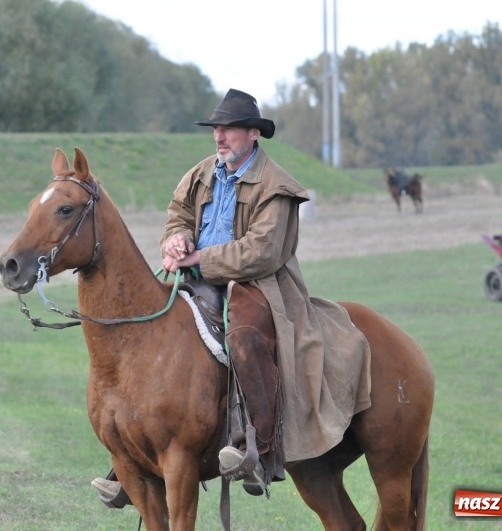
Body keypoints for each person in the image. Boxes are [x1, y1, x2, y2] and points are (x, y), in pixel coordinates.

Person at [91, 88, 370, 505]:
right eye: (217, 130)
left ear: (254, 134)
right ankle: (132, 456)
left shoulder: (276, 186)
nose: (220, 137)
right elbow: (178, 214)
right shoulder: (202, 172)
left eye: (230, 130)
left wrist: (202, 256)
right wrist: (178, 241)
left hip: (259, 284)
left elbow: (262, 251)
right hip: (198, 277)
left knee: (244, 339)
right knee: (149, 336)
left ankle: (259, 450)